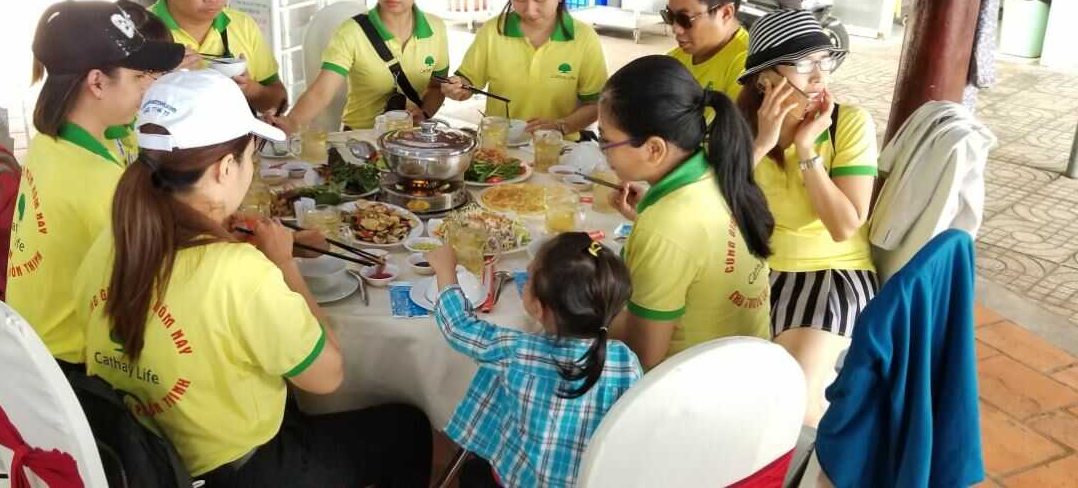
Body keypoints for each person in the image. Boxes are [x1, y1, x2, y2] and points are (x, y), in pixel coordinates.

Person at [76, 70, 433, 486]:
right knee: (407, 430)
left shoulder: (111, 239)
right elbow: (327, 376)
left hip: (147, 454)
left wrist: (237, 238)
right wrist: (283, 266)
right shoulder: (238, 272)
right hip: (238, 471)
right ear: (226, 168)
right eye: (252, 154)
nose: (252, 165)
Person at [7, 0, 185, 367]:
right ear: (97, 83)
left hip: (33, 341)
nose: (148, 87)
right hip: (73, 361)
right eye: (139, 77)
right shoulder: (100, 185)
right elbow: (161, 281)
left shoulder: (51, 141)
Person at [736, 9, 877, 426]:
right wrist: (762, 144)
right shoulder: (739, 128)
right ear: (765, 80)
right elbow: (717, 205)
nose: (818, 77)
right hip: (755, 272)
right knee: (727, 383)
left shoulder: (848, 124)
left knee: (796, 397)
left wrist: (806, 149)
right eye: (802, 63)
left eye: (824, 61)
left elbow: (844, 225)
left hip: (832, 274)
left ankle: (808, 461)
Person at [600, 55, 774, 371]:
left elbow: (641, 356)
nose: (603, 152)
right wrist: (646, 217)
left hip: (692, 389)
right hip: (749, 374)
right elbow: (698, 247)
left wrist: (588, 308)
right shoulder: (718, 169)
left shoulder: (665, 226)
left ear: (654, 149)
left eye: (606, 140)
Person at [427, 234, 641, 488]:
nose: (525, 278)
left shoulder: (518, 351)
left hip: (522, 479)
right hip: (589, 480)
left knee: (473, 473)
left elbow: (459, 327)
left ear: (538, 308)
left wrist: (445, 271)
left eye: (528, 278)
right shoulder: (626, 361)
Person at [270, 0, 448, 133]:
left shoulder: (436, 29)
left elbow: (436, 87)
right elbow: (321, 92)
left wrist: (424, 113)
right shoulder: (351, 33)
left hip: (409, 140)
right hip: (359, 141)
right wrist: (292, 122)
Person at [440, 0, 607, 140]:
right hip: (499, 147)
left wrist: (561, 126)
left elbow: (596, 104)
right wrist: (458, 87)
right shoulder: (494, 31)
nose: (530, 10)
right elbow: (469, 81)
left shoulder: (584, 38)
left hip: (558, 149)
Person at [150, 0, 287, 114]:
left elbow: (280, 102)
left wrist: (251, 89)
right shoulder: (142, 32)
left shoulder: (242, 25)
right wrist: (162, 81)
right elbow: (116, 116)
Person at [664, 0, 750, 101]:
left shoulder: (747, 71)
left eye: (684, 19)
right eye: (670, 16)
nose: (675, 29)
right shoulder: (674, 61)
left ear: (725, 13)